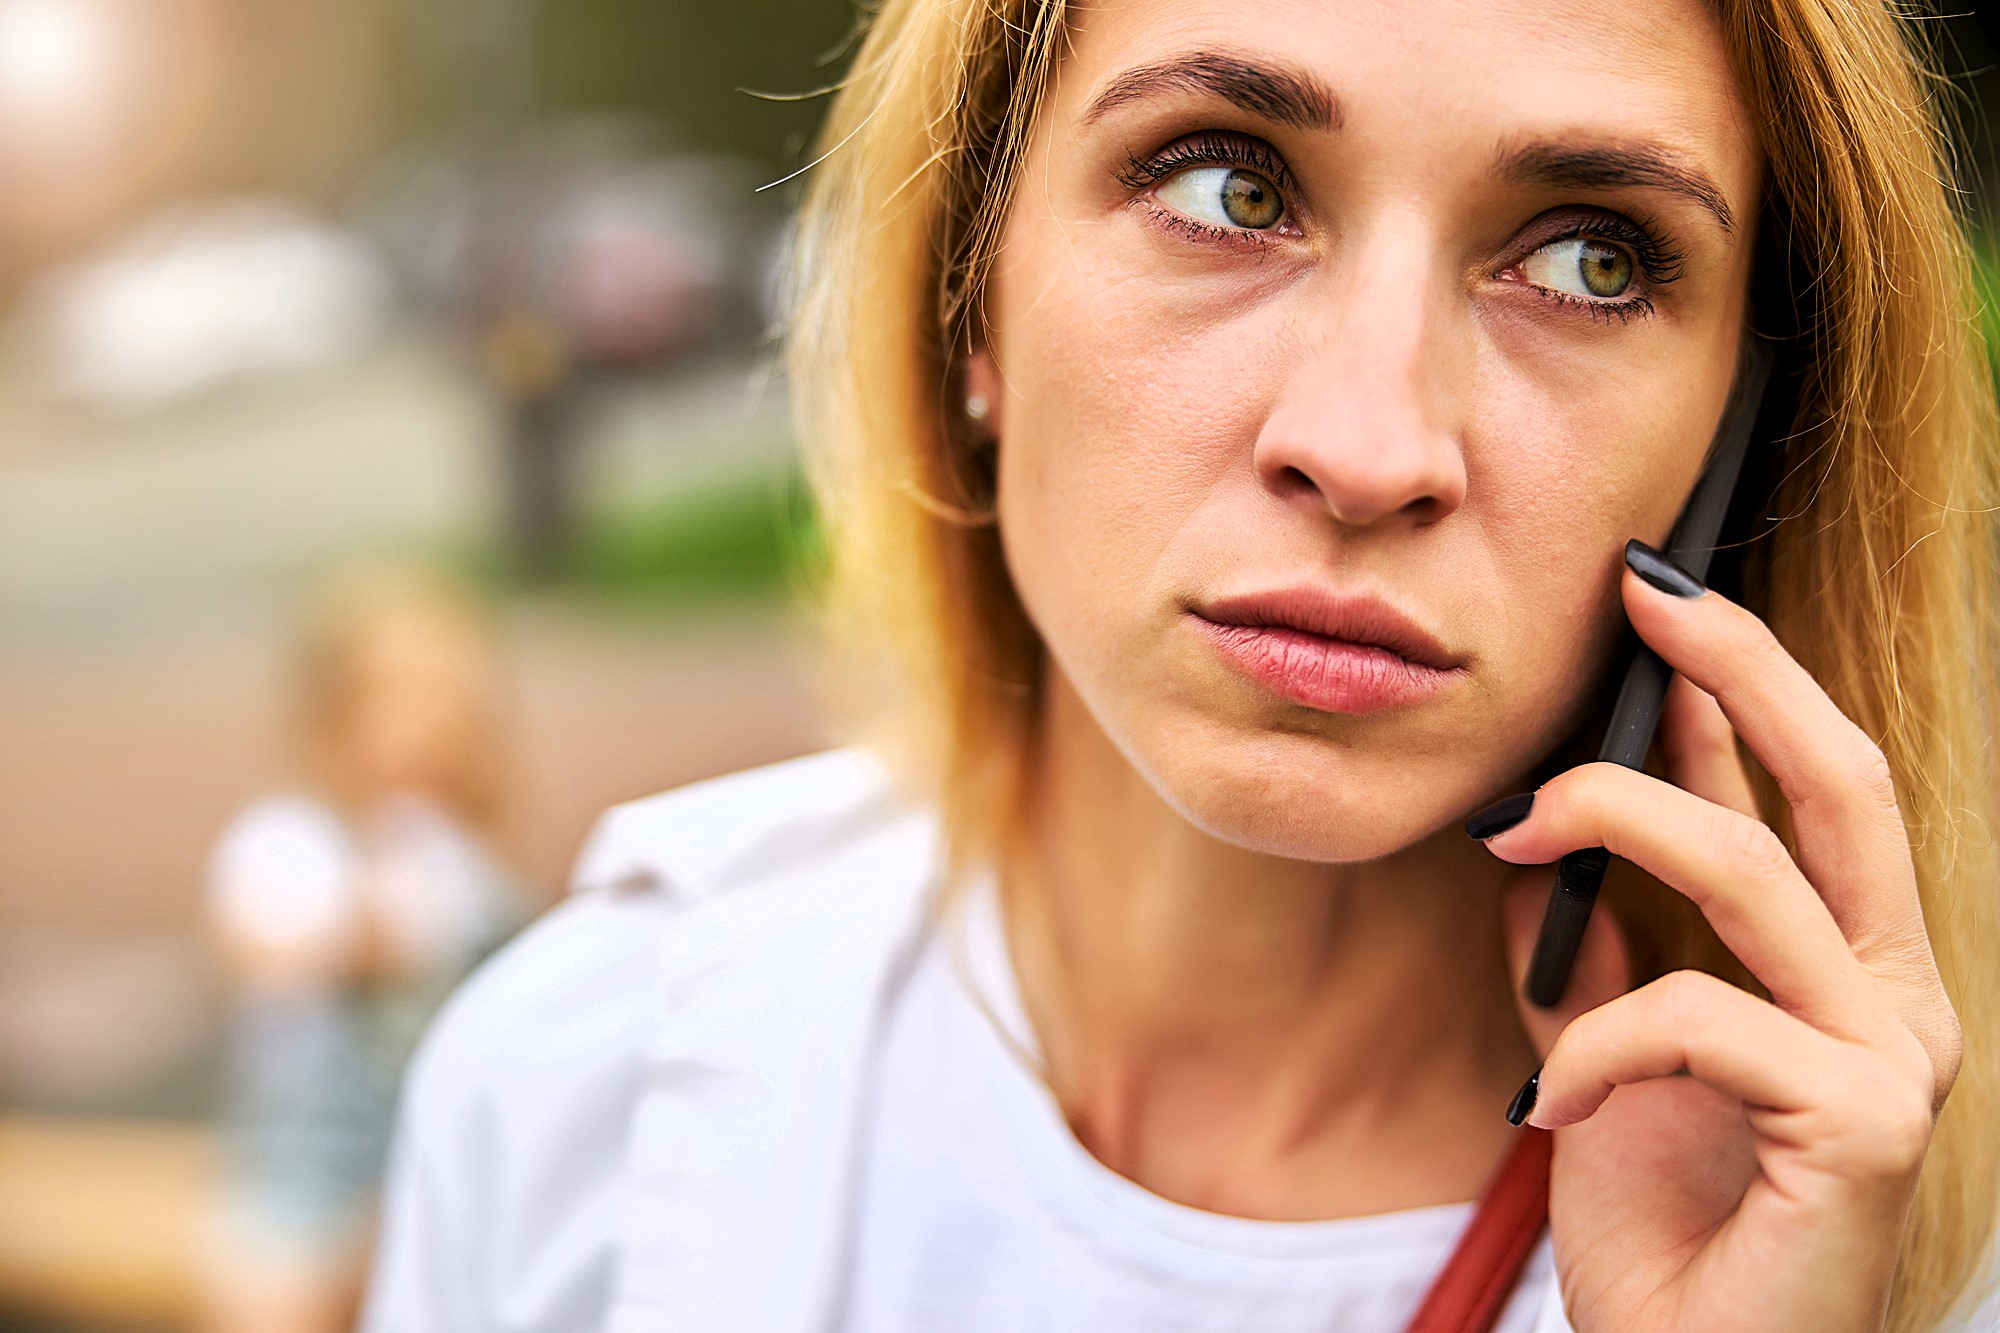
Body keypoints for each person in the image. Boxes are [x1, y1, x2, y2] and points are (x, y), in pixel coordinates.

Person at [362, 0, 2000, 1329]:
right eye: (1229, 186)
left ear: (1738, 432)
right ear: (971, 297)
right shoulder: (587, 1071)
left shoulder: (1869, 1233)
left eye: (1591, 258)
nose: (1367, 447)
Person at [204, 567, 528, 1333]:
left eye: (449, 704)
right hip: (294, 1191)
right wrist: (369, 926)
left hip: (423, 1184)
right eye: (399, 699)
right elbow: (263, 944)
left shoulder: (471, 875)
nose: (428, 728)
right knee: (275, 1291)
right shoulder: (284, 842)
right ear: (333, 719)